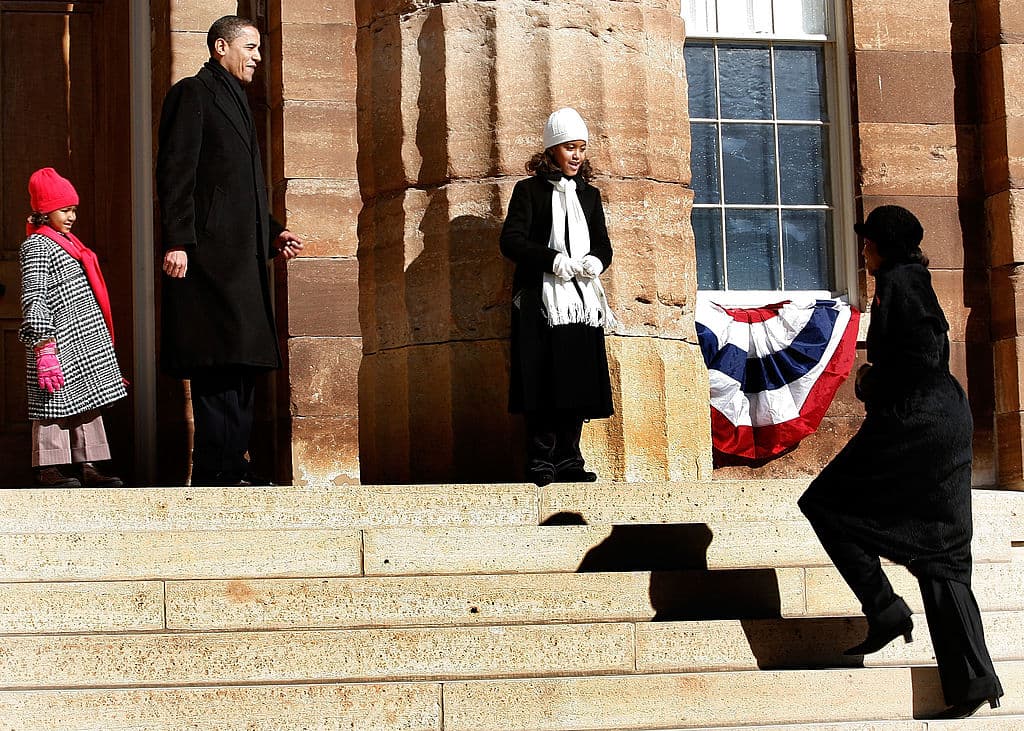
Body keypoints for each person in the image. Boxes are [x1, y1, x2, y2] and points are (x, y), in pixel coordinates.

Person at [798, 205, 1003, 719]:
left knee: (825, 503)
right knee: (943, 553)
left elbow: (920, 356)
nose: (863, 249)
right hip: (943, 418)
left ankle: (885, 609)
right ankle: (973, 679)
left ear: (882, 246)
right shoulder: (911, 279)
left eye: (867, 241)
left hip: (918, 420)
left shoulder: (902, 282)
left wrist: (871, 381)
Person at [156, 15, 303, 486]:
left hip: (242, 259)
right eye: (251, 47)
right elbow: (176, 173)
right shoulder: (193, 93)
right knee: (216, 365)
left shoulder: (238, 100)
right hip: (207, 260)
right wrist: (177, 241)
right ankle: (216, 470)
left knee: (242, 364)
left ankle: (234, 464)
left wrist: (273, 232)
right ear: (221, 46)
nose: (258, 57)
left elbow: (240, 189)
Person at [499, 107, 617, 486]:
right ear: (552, 151)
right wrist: (554, 261)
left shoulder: (590, 196)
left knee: (576, 380)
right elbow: (512, 241)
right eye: (569, 147)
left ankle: (570, 459)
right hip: (541, 300)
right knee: (543, 379)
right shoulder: (529, 191)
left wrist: (595, 263)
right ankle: (541, 459)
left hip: (580, 301)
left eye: (581, 148)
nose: (577, 155)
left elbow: (603, 244)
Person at [19, 167, 126, 488]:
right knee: (52, 401)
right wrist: (43, 346)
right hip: (56, 340)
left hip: (82, 341)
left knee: (87, 399)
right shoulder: (38, 245)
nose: (72, 216)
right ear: (45, 210)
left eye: (74, 209)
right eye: (65, 210)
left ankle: (87, 461)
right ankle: (49, 466)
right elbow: (33, 295)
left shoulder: (68, 242)